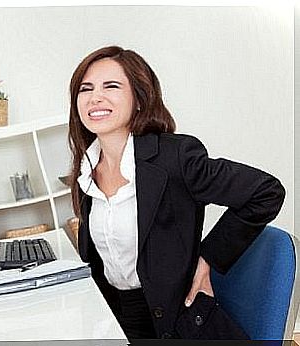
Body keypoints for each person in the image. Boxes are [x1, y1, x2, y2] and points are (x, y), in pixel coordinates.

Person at [67, 46, 285, 340]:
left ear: (140, 98)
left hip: (179, 323)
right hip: (119, 316)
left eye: (112, 86)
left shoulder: (175, 158)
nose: (95, 98)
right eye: (86, 89)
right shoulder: (86, 171)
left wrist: (208, 258)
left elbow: (265, 191)